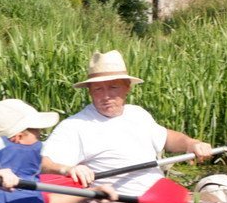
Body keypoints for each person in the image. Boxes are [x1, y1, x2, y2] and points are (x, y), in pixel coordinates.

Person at [41, 50, 213, 195]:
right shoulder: (75, 126)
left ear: (127, 88)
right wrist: (67, 169)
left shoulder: (137, 114)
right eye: (98, 89)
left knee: (220, 185)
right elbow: (43, 162)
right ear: (90, 92)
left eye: (113, 87)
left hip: (159, 195)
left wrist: (192, 143)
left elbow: (167, 138)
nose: (106, 96)